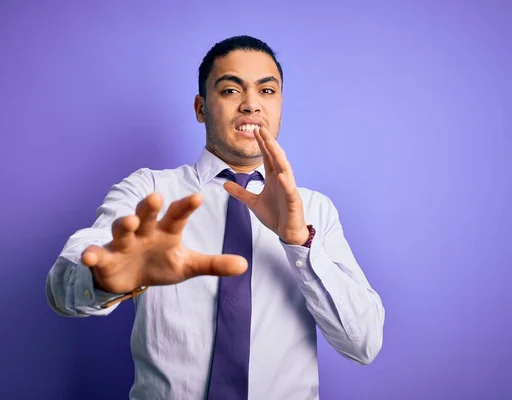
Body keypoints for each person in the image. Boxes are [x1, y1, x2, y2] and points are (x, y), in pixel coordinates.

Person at [46, 35, 385, 400]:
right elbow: (61, 288)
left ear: (281, 106)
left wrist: (299, 241)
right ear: (201, 107)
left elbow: (363, 344)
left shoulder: (314, 211)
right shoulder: (149, 192)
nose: (251, 105)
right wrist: (102, 278)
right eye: (230, 91)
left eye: (267, 91)